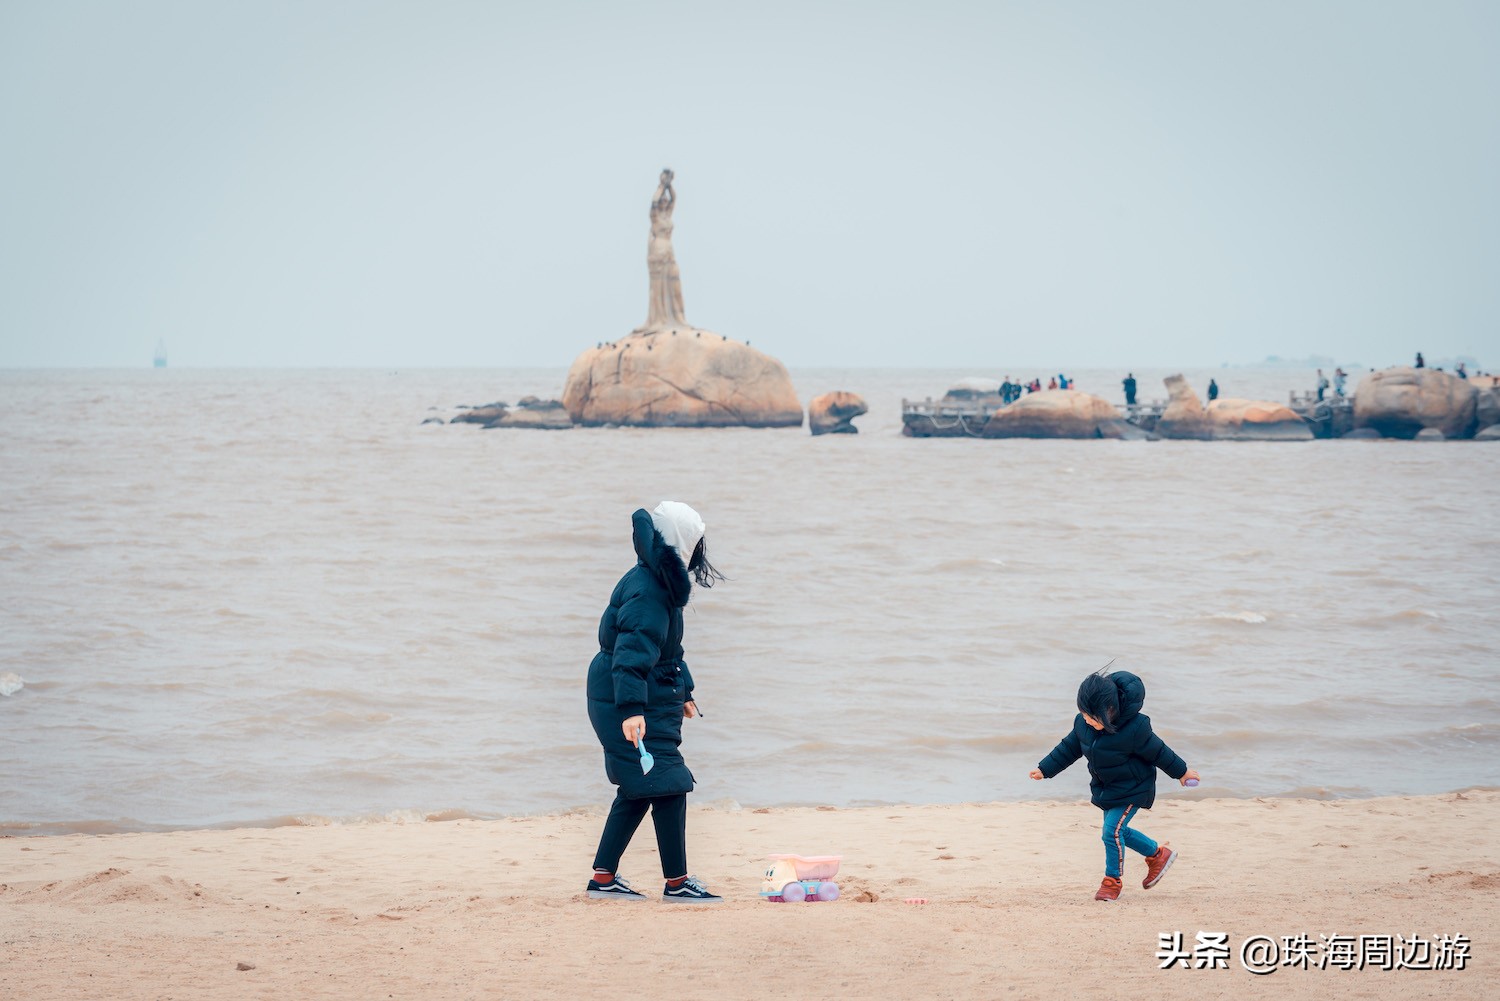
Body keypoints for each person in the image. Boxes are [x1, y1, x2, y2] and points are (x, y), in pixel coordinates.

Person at [585, 502, 726, 904]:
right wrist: (630, 710)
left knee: (641, 787)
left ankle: (604, 878)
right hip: (627, 696)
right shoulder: (649, 589)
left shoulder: (658, 582)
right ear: (680, 542)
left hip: (650, 692)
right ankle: (677, 884)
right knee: (668, 782)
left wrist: (687, 692)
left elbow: (668, 650)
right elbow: (632, 650)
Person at [1030, 670, 1199, 902]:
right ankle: (1158, 855)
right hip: (1106, 788)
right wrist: (1045, 769)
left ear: (1109, 711)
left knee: (1111, 832)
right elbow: (1068, 748)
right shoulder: (1083, 724)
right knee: (1119, 832)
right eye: (1083, 714)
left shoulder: (1135, 728)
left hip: (1134, 787)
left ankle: (1112, 881)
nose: (1087, 720)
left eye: (1092, 716)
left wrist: (1182, 772)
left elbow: (1160, 752)